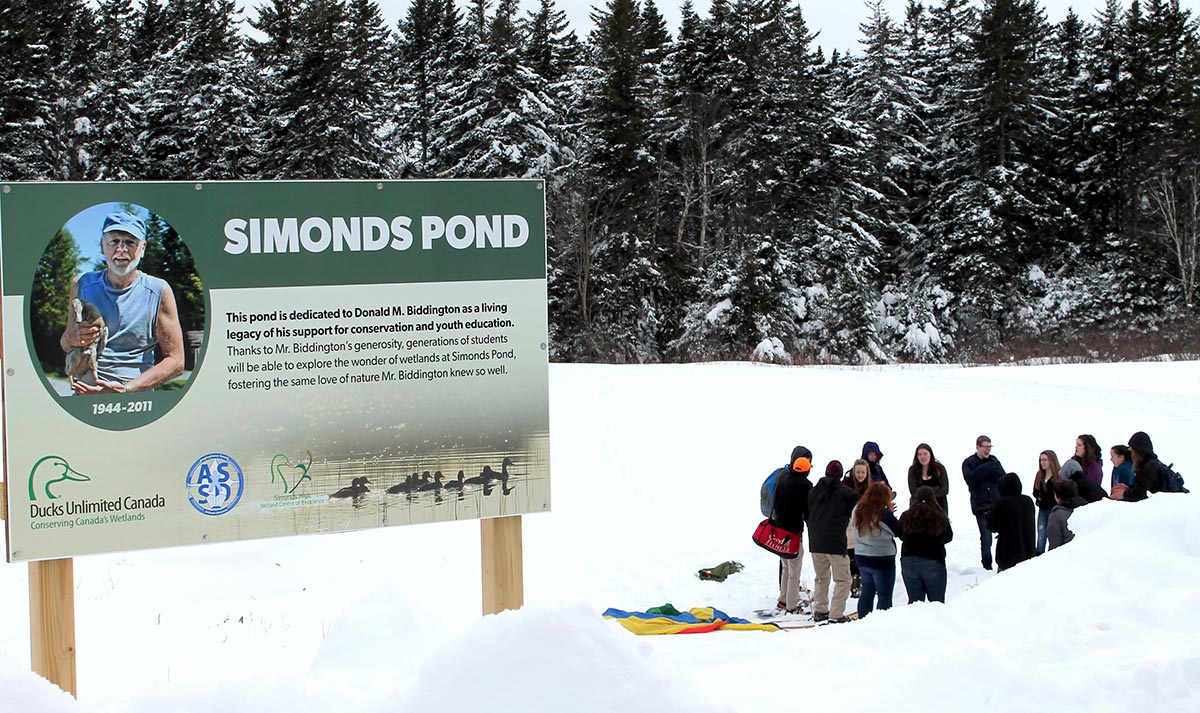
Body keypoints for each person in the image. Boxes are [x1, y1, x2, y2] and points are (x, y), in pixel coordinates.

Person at [60, 211, 184, 394]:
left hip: (137, 399)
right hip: (85, 395)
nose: (121, 250)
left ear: (142, 248)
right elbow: (66, 343)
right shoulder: (81, 285)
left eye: (130, 242)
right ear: (103, 246)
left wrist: (127, 389)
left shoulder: (159, 290)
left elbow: (177, 361)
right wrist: (69, 338)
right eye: (114, 241)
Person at [808, 459, 859, 624]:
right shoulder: (847, 493)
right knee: (843, 580)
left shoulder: (813, 492)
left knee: (821, 578)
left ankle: (820, 610)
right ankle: (836, 614)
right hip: (836, 543)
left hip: (815, 542)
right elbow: (857, 508)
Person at [769, 447, 815, 614]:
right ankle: (791, 605)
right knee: (795, 569)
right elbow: (807, 511)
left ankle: (783, 599)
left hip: (779, 529)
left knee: (786, 566)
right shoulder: (806, 486)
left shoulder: (783, 477)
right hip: (794, 532)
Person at [851, 481, 899, 619]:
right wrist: (890, 512)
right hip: (882, 559)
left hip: (862, 556)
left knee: (867, 592)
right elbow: (898, 531)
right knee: (884, 596)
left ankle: (863, 620)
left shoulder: (857, 510)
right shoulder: (885, 515)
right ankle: (882, 624)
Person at [898, 485, 953, 603]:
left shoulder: (906, 516)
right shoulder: (940, 516)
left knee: (915, 603)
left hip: (909, 560)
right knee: (936, 603)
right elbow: (948, 537)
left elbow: (899, 533)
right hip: (933, 561)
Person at [962, 435, 1005, 570]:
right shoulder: (968, 462)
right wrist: (988, 468)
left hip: (996, 503)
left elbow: (1002, 478)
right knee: (986, 538)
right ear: (978, 447)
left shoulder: (994, 461)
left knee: (1003, 534)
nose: (988, 450)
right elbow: (971, 480)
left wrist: (982, 472)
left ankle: (1002, 562)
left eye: (989, 447)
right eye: (985, 447)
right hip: (981, 505)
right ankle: (987, 566)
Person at [986, 473, 1036, 572]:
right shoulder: (1028, 501)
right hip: (1028, 552)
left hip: (1007, 555)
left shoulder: (1002, 503)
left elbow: (991, 525)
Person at [841, 459, 871, 597]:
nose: (860, 475)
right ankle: (854, 582)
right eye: (858, 472)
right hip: (849, 522)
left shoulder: (870, 486)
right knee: (851, 551)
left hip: (864, 523)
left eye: (862, 472)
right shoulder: (846, 484)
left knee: (863, 551)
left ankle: (862, 579)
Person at [1031, 450, 1061, 555]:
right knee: (1041, 535)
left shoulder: (1058, 475)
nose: (1042, 462)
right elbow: (1035, 491)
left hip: (1055, 509)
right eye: (1040, 460)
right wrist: (1039, 498)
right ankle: (1039, 555)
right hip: (1043, 509)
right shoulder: (1039, 475)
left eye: (1045, 460)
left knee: (1053, 535)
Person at [1122, 431, 1164, 502]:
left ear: (1138, 451)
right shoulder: (1151, 464)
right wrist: (1129, 488)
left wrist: (1124, 494)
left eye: (1132, 450)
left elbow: (1140, 493)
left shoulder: (1149, 467)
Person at [907, 443, 949, 512]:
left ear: (930, 454)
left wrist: (923, 492)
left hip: (939, 508)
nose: (922, 457)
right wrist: (934, 490)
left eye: (925, 454)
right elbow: (913, 491)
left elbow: (944, 489)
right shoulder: (912, 470)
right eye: (919, 454)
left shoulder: (940, 468)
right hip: (918, 509)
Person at [1047, 480, 1088, 550]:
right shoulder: (1087, 508)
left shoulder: (1056, 515)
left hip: (1067, 555)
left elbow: (1055, 543)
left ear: (1057, 496)